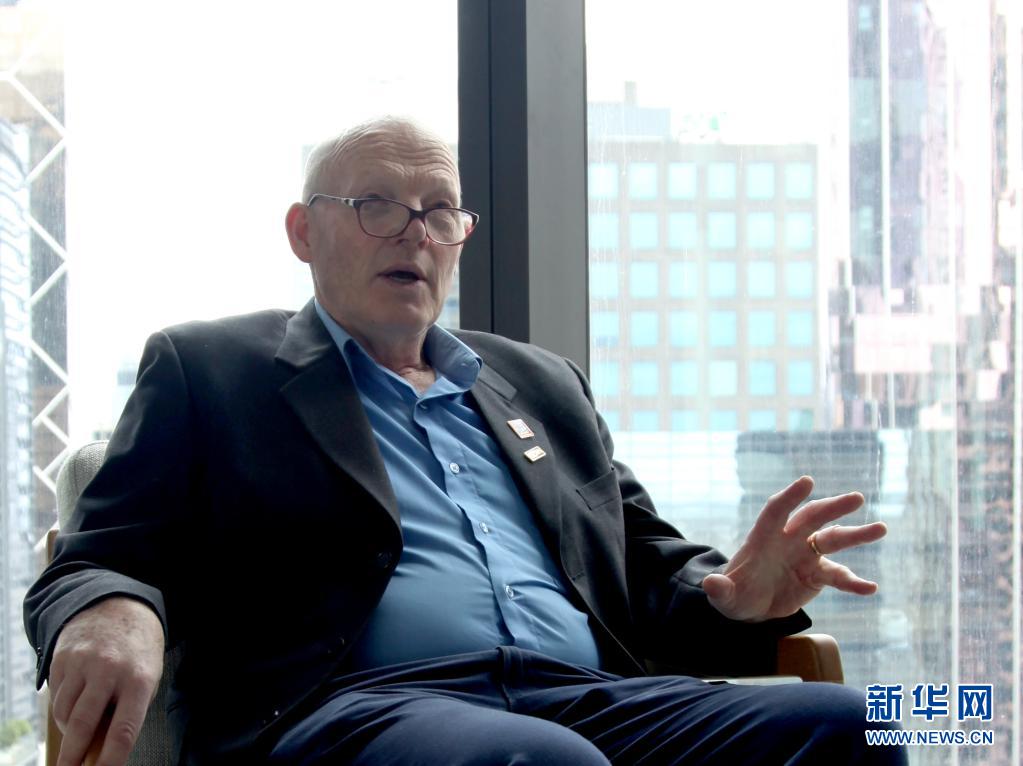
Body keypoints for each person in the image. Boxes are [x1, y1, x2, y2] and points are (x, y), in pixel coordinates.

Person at [25, 116, 905, 766]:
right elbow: (98, 553)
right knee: (543, 762)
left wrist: (732, 600)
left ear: (459, 239)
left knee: (863, 724)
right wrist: (112, 605)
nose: (414, 231)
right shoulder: (211, 369)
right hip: (353, 711)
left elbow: (640, 568)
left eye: (438, 210)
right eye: (376, 205)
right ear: (302, 232)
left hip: (587, 700)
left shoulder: (542, 384)